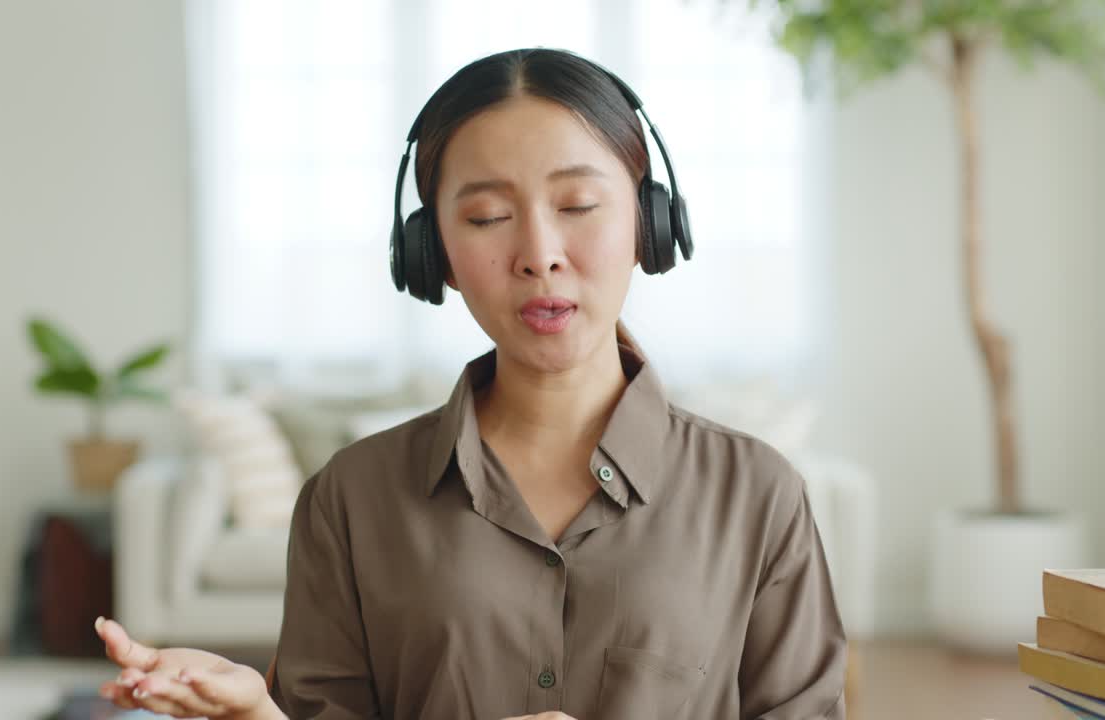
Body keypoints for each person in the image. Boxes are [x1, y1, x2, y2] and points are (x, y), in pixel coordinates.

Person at [96, 47, 847, 720]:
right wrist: (257, 717)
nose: (539, 253)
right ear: (434, 256)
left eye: (578, 206)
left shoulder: (758, 495)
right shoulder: (351, 498)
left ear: (649, 225)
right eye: (487, 216)